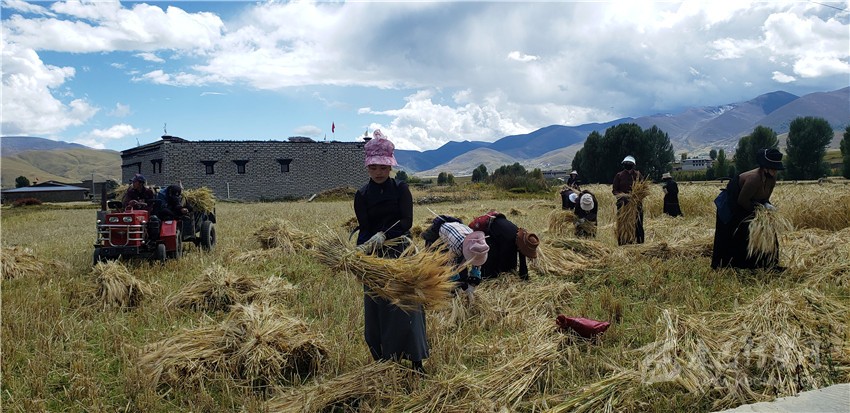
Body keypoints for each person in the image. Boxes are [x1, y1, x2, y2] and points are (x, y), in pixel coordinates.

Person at [353, 129, 427, 373]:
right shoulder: (362, 195)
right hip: (375, 258)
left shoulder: (401, 189)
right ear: (367, 167)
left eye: (383, 168)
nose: (378, 173)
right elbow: (364, 228)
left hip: (401, 253)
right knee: (378, 306)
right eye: (374, 168)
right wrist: (361, 251)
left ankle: (416, 360)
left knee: (407, 305)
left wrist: (385, 234)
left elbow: (406, 221)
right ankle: (384, 360)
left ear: (390, 167)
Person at [711, 148, 784, 271]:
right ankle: (734, 265)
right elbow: (742, 201)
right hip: (733, 206)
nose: (774, 171)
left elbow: (765, 198)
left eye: (776, 168)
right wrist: (756, 213)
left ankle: (766, 264)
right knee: (738, 231)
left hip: (752, 205)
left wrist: (766, 207)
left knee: (768, 231)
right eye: (772, 168)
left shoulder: (772, 179)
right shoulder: (753, 179)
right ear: (764, 167)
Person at [422, 217, 488, 299]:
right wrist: (456, 284)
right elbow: (451, 265)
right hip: (436, 235)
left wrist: (474, 277)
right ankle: (436, 291)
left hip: (456, 233)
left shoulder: (480, 245)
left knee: (461, 272)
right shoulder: (457, 245)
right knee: (437, 265)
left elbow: (477, 262)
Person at [469, 211, 539, 280]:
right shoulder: (510, 239)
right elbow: (503, 257)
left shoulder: (522, 239)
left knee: (508, 259)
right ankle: (485, 276)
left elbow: (522, 261)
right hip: (490, 232)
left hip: (500, 232)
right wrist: (503, 274)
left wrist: (524, 276)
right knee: (493, 259)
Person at [612, 155, 644, 245]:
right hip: (623, 204)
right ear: (624, 164)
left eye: (630, 164)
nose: (628, 165)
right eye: (626, 163)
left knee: (638, 223)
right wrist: (623, 196)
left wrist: (636, 196)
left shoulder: (638, 175)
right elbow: (614, 190)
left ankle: (639, 242)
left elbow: (643, 189)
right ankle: (623, 242)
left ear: (633, 165)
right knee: (623, 224)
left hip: (636, 204)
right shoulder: (619, 176)